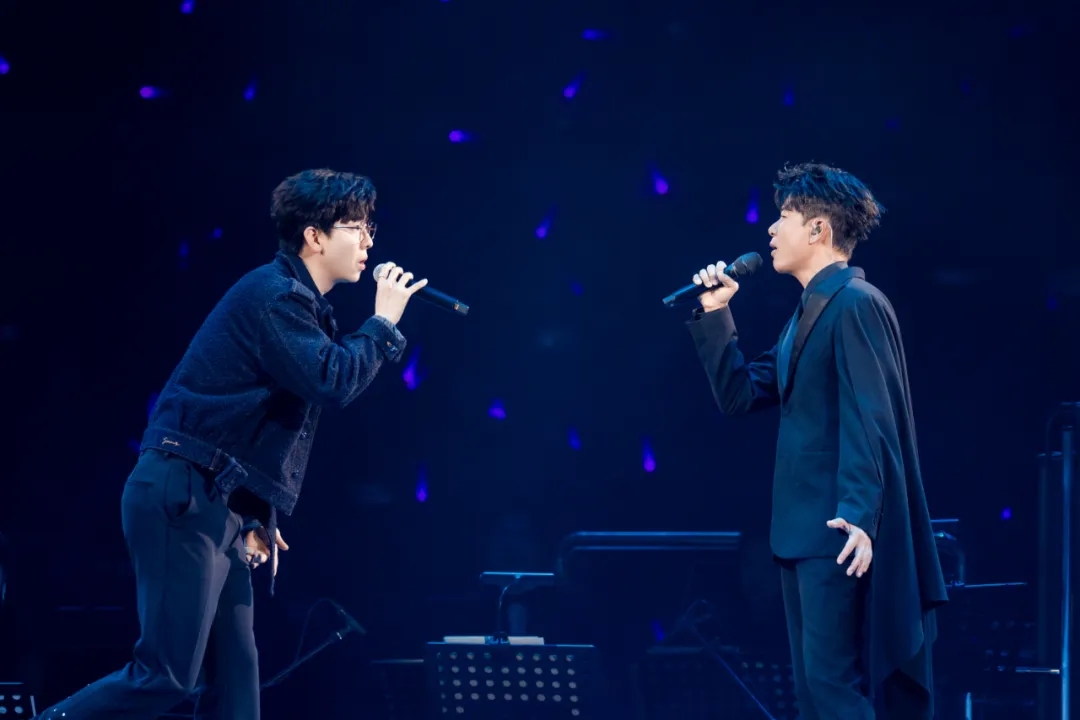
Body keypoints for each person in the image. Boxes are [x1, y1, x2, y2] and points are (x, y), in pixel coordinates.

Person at [35, 168, 427, 720]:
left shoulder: (303, 306)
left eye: (370, 227)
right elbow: (332, 380)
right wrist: (383, 323)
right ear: (314, 236)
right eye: (356, 227)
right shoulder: (275, 296)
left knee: (237, 686)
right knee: (165, 675)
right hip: (183, 492)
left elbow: (260, 424)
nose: (368, 241)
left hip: (217, 500)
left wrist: (255, 512)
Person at [685, 163, 947, 719]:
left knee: (831, 687)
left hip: (837, 528)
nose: (771, 229)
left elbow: (871, 417)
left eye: (784, 216)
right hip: (802, 530)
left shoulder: (856, 303)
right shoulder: (808, 313)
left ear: (818, 229)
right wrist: (716, 313)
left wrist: (859, 514)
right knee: (813, 692)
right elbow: (740, 395)